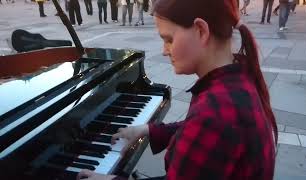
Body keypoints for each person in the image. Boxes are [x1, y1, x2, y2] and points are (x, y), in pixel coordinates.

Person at [77, 0, 278, 179]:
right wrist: (147, 129)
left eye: (169, 39)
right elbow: (197, 129)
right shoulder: (237, 77)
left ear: (201, 31)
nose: (164, 51)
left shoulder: (214, 113)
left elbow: (206, 126)